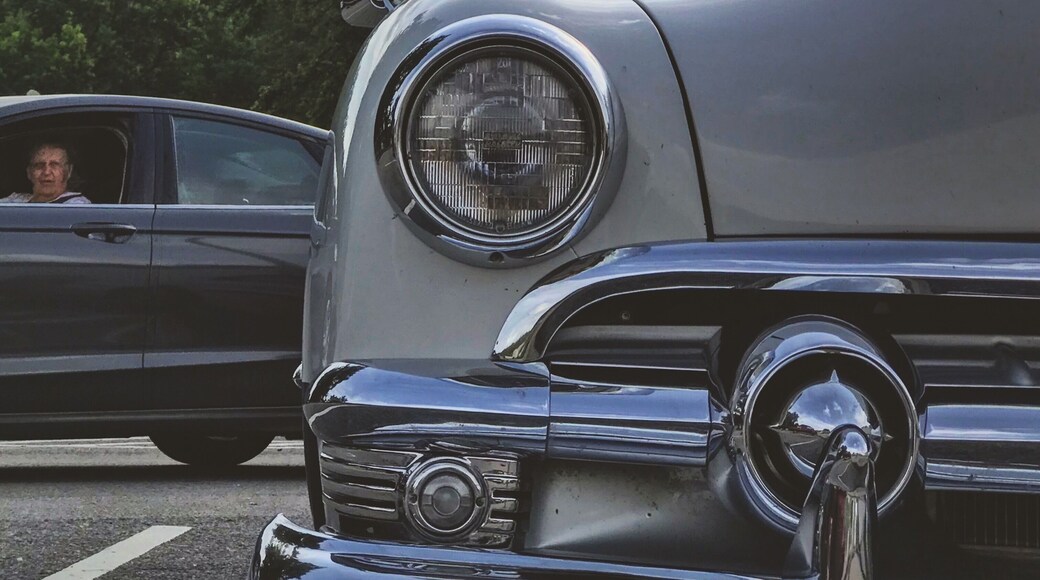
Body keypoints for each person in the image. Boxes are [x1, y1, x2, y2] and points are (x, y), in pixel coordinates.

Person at [0, 142, 90, 204]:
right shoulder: (15, 201)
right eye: (39, 165)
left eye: (54, 165)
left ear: (69, 171)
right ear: (29, 173)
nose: (46, 172)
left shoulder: (76, 205)